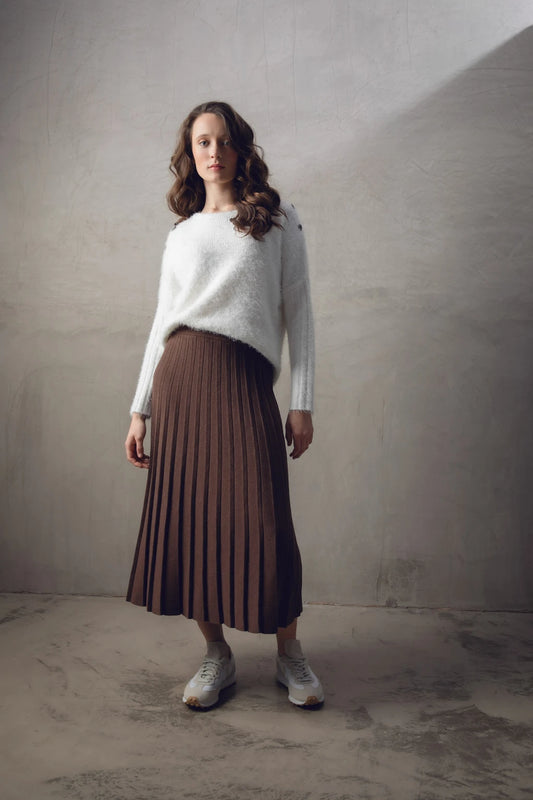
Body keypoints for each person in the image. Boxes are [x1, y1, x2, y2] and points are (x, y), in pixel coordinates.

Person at [124, 100, 323, 710]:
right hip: (180, 381)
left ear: (240, 149)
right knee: (188, 523)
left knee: (265, 520)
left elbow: (301, 311)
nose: (212, 153)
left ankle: (290, 656)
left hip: (242, 380)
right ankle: (216, 655)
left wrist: (302, 400)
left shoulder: (277, 220)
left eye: (222, 142)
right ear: (192, 154)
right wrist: (140, 409)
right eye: (201, 143)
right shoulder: (181, 233)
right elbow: (162, 323)